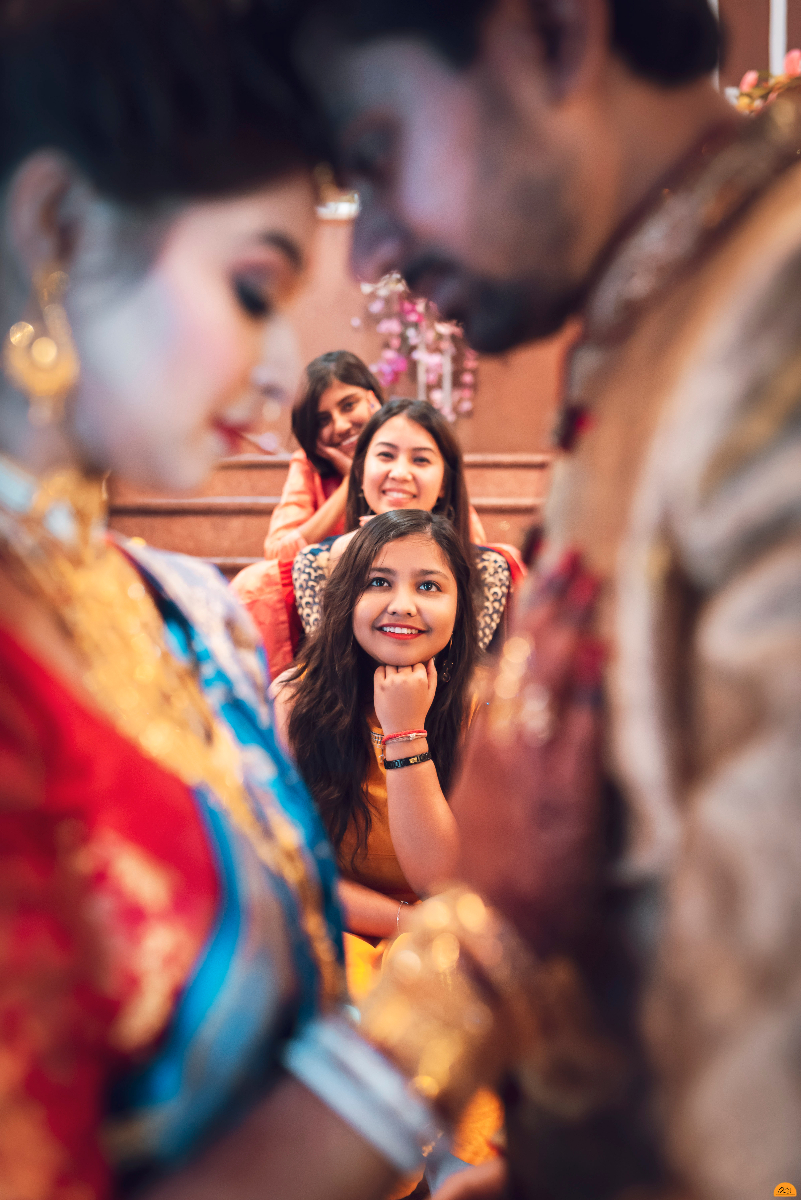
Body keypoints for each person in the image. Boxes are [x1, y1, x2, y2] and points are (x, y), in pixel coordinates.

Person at [0, 3, 578, 1198]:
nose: (281, 381)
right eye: (255, 290)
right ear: (56, 229)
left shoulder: (183, 611)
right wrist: (467, 976)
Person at [292, 1, 801, 1197]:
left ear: (556, 37)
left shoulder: (770, 305)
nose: (367, 252)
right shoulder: (662, 306)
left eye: (375, 156)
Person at [274, 509, 504, 1188]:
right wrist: (398, 922)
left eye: (429, 586)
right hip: (336, 927)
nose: (403, 605)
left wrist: (405, 735)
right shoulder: (295, 703)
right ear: (347, 599)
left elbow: (438, 880)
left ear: (461, 606)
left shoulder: (483, 707)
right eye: (379, 582)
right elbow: (293, 869)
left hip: (446, 935)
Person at [292, 398, 524, 656]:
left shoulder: (488, 569)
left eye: (421, 460)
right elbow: (327, 671)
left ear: (445, 483)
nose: (400, 473)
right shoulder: (315, 564)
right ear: (359, 472)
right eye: (386, 455)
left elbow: (464, 674)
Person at [265, 350, 385, 560]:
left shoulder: (409, 447)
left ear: (372, 399)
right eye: (323, 420)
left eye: (349, 405)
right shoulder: (307, 464)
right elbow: (277, 554)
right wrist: (351, 480)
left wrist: (387, 434)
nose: (340, 426)